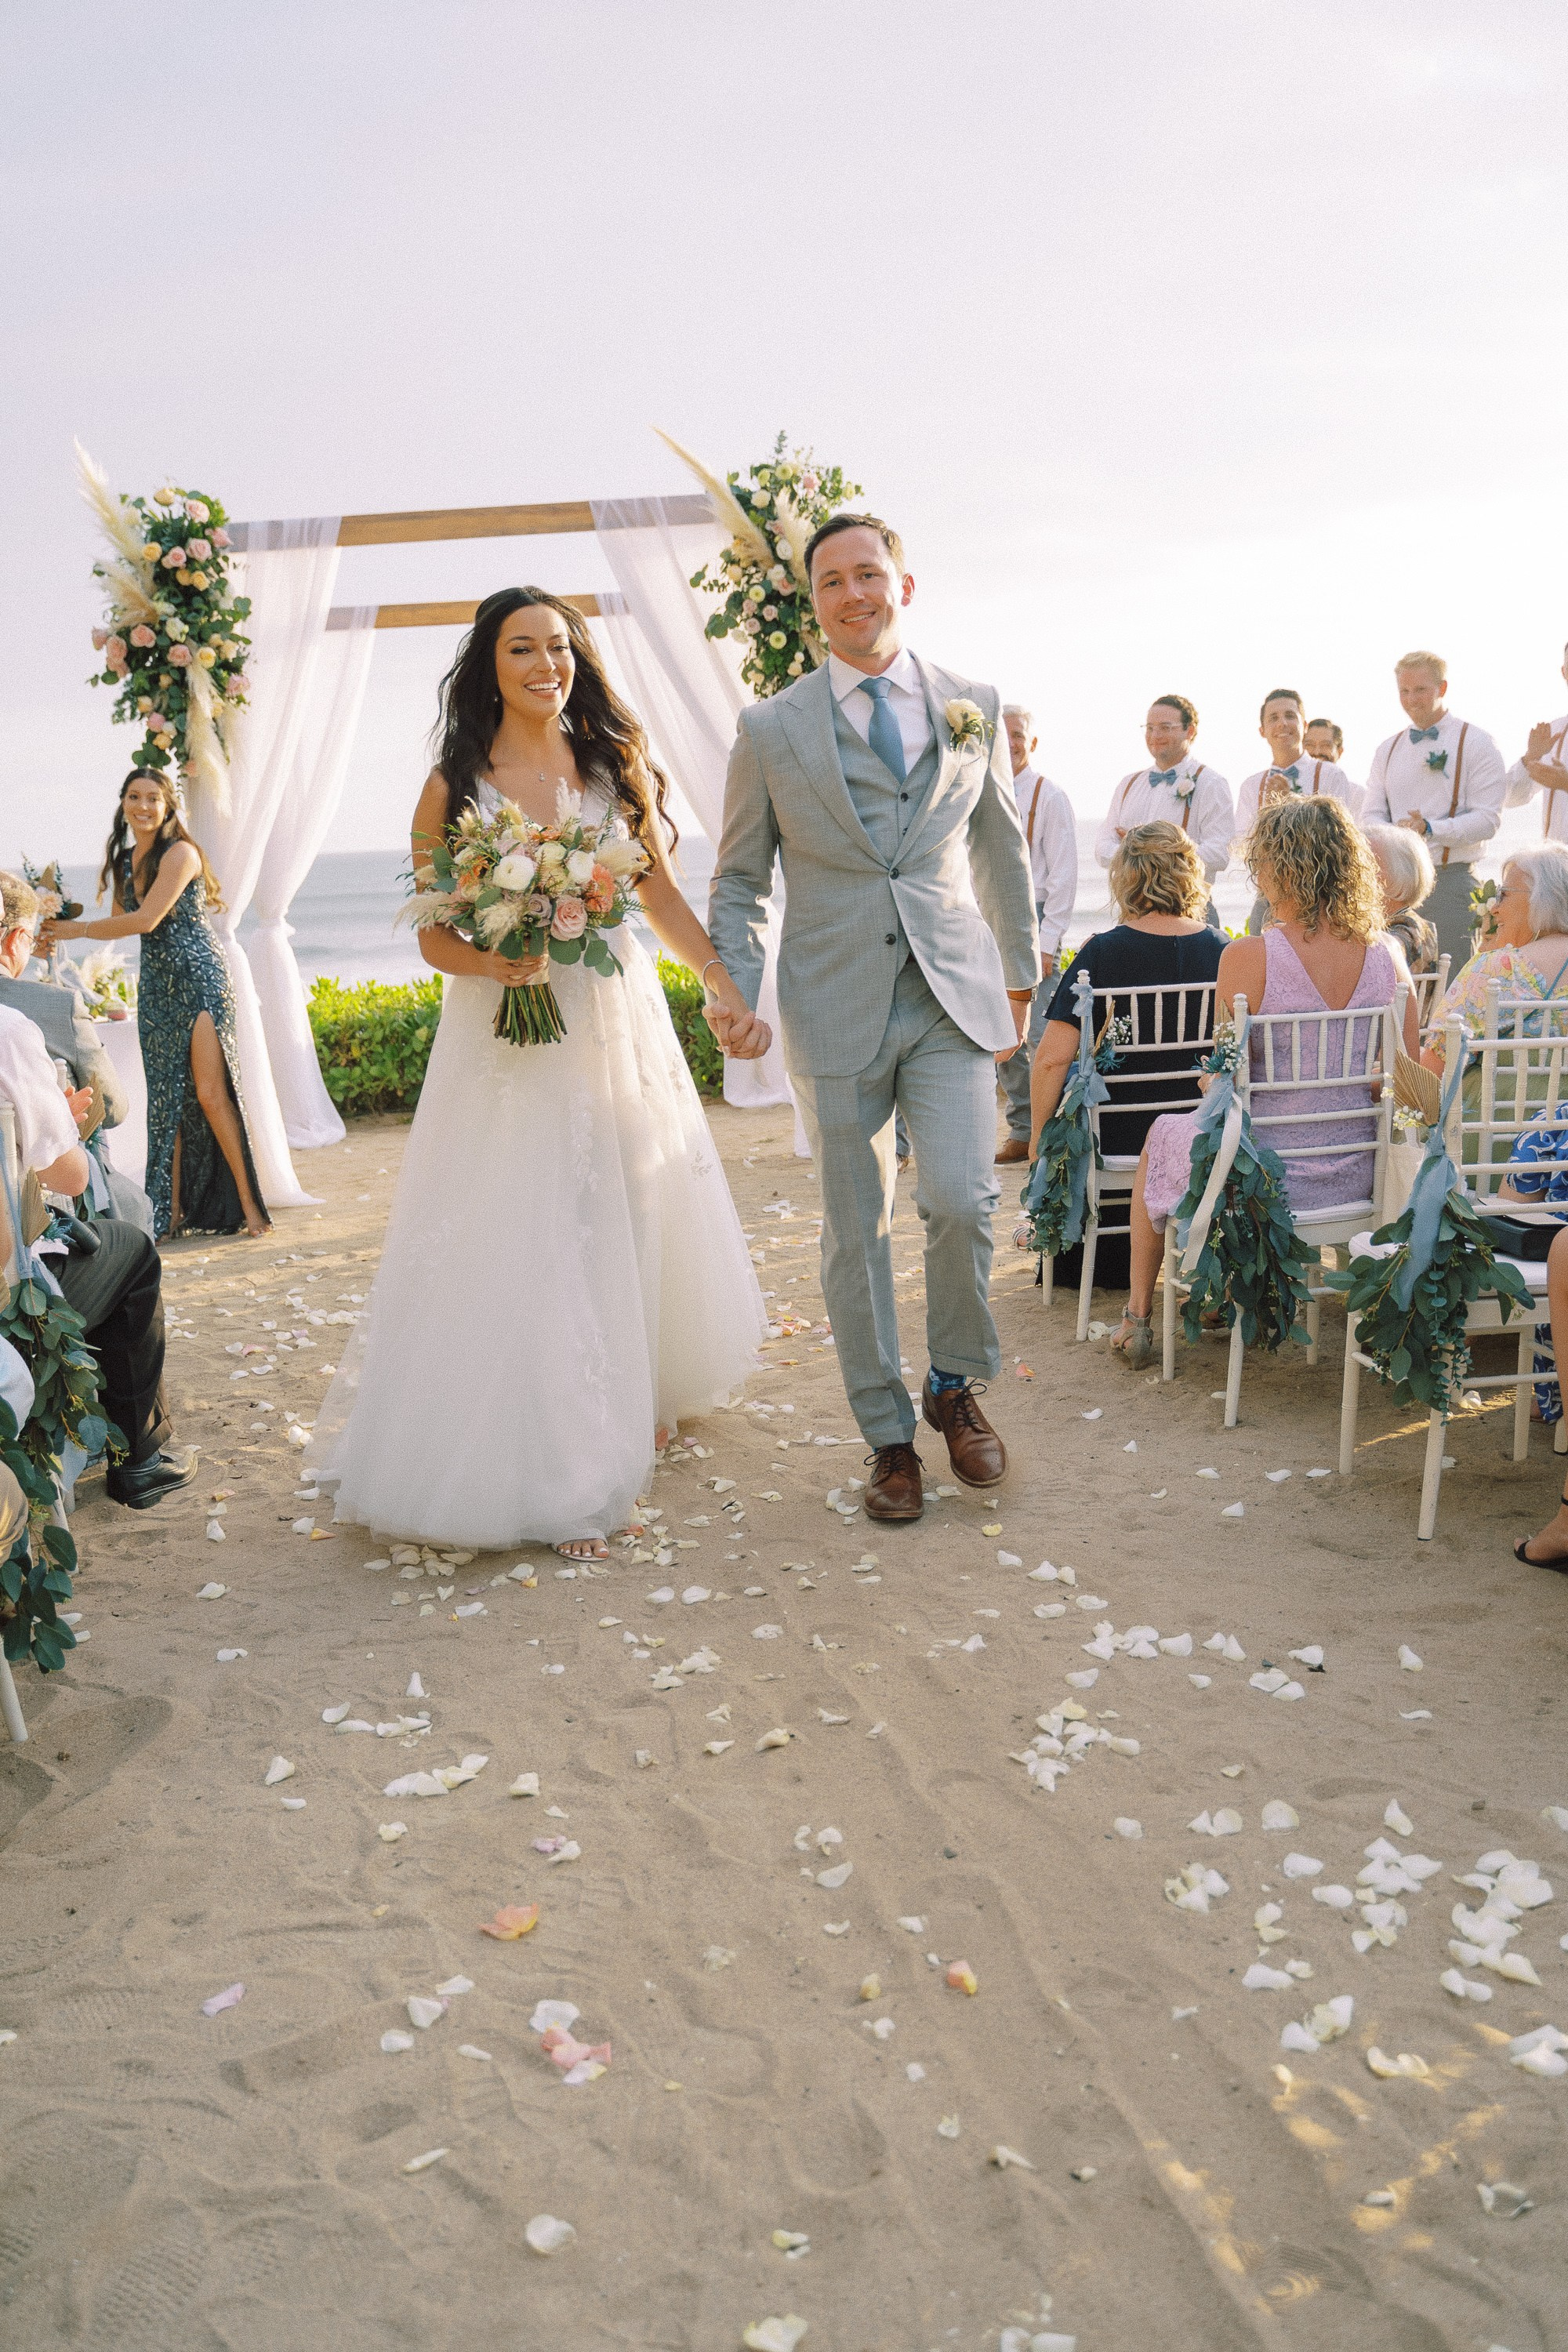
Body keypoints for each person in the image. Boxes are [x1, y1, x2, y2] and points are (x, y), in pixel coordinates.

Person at [313, 588, 768, 1559]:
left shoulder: (611, 763)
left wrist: (721, 985)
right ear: (490, 665)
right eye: (521, 648)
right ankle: (562, 1454)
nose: (544, 665)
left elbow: (659, 897)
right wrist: (492, 962)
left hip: (611, 1015)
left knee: (623, 1196)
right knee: (528, 1216)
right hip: (504, 1033)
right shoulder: (453, 785)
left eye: (558, 646)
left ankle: (632, 1393)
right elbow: (433, 934)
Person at [710, 514, 1037, 1524]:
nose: (852, 594)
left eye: (867, 574)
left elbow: (999, 847)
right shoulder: (770, 729)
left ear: (904, 583)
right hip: (832, 1000)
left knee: (962, 1198)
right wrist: (732, 990)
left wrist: (1020, 974)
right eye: (830, 582)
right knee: (856, 1232)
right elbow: (737, 878)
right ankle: (888, 1438)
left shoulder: (972, 705)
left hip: (948, 995)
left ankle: (951, 1384)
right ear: (811, 602)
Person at [1117, 800, 1417, 1369]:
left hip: (1268, 1181)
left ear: (1279, 869)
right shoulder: (1389, 955)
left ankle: (1137, 1317)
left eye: (1260, 864)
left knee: (1162, 1134)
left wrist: (1210, 1076)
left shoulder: (1248, 957)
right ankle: (1224, 1296)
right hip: (1361, 1173)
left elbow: (1225, 1078)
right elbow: (1408, 1076)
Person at [0, 872, 193, 1508]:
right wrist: (63, 1121)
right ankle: (138, 1458)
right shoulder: (18, 1025)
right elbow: (74, 1169)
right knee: (130, 1247)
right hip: (8, 1287)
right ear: (18, 941)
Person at [44, 771, 270, 1240]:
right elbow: (119, 922)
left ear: (168, 806)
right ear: (123, 803)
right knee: (165, 1100)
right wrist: (56, 922)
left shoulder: (182, 853)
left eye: (153, 798)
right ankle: (166, 1216)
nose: (143, 806)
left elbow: (145, 921)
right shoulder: (125, 862)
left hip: (200, 977)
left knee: (210, 1093)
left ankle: (252, 1210)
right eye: (134, 797)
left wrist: (75, 931)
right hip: (157, 985)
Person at [1027, 822, 1226, 1308]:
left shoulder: (1101, 951)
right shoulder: (1223, 949)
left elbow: (1052, 1059)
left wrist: (1037, 1141)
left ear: (1126, 877)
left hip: (1118, 1133)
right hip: (1198, 1129)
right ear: (1190, 874)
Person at [1359, 652, 1507, 967]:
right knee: (1392, 979)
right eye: (1404, 691)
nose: (1411, 699)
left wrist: (1429, 828)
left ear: (1442, 688)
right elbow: (1370, 814)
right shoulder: (1387, 749)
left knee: (1452, 980)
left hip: (1451, 882)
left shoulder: (1477, 742)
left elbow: (1488, 820)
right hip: (1392, 888)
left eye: (1420, 690)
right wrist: (1396, 838)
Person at [0, 960, 154, 1233]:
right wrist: (57, 1121)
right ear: (15, 941)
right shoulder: (14, 1026)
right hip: (23, 1226)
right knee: (137, 1220)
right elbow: (112, 1110)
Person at [997, 703, 1076, 1165]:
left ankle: (1052, 1133)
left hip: (1035, 917)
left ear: (1032, 741)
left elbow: (1064, 876)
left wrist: (1047, 944)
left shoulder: (1050, 795)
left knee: (1043, 1033)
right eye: (1002, 733)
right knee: (1000, 1028)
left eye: (1018, 734)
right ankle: (1021, 1129)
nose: (1010, 743)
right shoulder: (978, 787)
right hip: (988, 921)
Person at [1235, 689, 1363, 934]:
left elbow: (1339, 840)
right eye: (1273, 718)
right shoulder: (1251, 785)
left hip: (1323, 898)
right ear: (1262, 730)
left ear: (1304, 726)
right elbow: (1243, 845)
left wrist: (1288, 804)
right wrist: (1269, 815)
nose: (1282, 723)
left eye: (1290, 716)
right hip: (1268, 899)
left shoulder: (1330, 775)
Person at [1093, 695, 1233, 908]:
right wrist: (1165, 853)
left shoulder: (1211, 783)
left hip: (1190, 907)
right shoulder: (1128, 784)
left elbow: (1219, 854)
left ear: (1190, 731)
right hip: (1134, 909)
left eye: (1165, 728)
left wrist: (1145, 851)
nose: (1155, 735)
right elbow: (1103, 849)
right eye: (1150, 728)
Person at [1503, 641, 1568, 843]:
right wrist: (1531, 758)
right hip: (1556, 859)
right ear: (1564, 672)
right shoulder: (1556, 731)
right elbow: (1512, 797)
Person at [1363, 822, 1440, 976]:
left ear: (1399, 875)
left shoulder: (1408, 928)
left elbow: (1384, 957)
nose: (1355, 872)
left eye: (1368, 864)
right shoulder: (1392, 920)